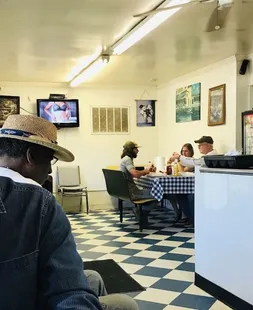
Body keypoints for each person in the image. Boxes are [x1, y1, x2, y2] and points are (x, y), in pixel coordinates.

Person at [0, 115, 138, 310]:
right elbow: (69, 292)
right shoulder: (40, 202)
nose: (48, 170)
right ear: (31, 156)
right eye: (50, 160)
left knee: (94, 278)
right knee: (125, 304)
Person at [120, 141, 157, 221]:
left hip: (125, 191)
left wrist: (145, 171)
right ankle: (141, 212)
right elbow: (135, 174)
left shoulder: (125, 159)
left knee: (153, 192)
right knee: (158, 194)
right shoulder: (127, 159)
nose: (138, 150)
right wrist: (146, 171)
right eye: (136, 148)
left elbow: (133, 173)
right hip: (132, 192)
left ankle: (141, 212)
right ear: (131, 149)